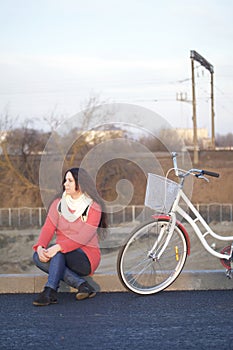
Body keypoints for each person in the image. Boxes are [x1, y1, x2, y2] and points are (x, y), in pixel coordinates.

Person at [32, 167, 107, 306]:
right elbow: (48, 227)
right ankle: (82, 285)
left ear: (81, 183)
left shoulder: (93, 207)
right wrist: (41, 247)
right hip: (61, 253)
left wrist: (58, 247)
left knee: (58, 253)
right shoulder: (58, 204)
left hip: (86, 257)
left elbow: (83, 236)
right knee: (37, 256)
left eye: (70, 181)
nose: (65, 184)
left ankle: (50, 291)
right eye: (65, 180)